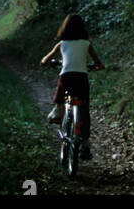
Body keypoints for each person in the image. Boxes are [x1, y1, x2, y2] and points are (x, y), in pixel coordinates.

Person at [41, 14, 104, 160]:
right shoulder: (86, 44)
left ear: (65, 28)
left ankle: (58, 109)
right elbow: (99, 64)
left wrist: (50, 63)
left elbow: (44, 60)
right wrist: (95, 67)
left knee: (61, 89)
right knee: (84, 108)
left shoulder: (62, 44)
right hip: (81, 78)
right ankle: (86, 142)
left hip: (67, 76)